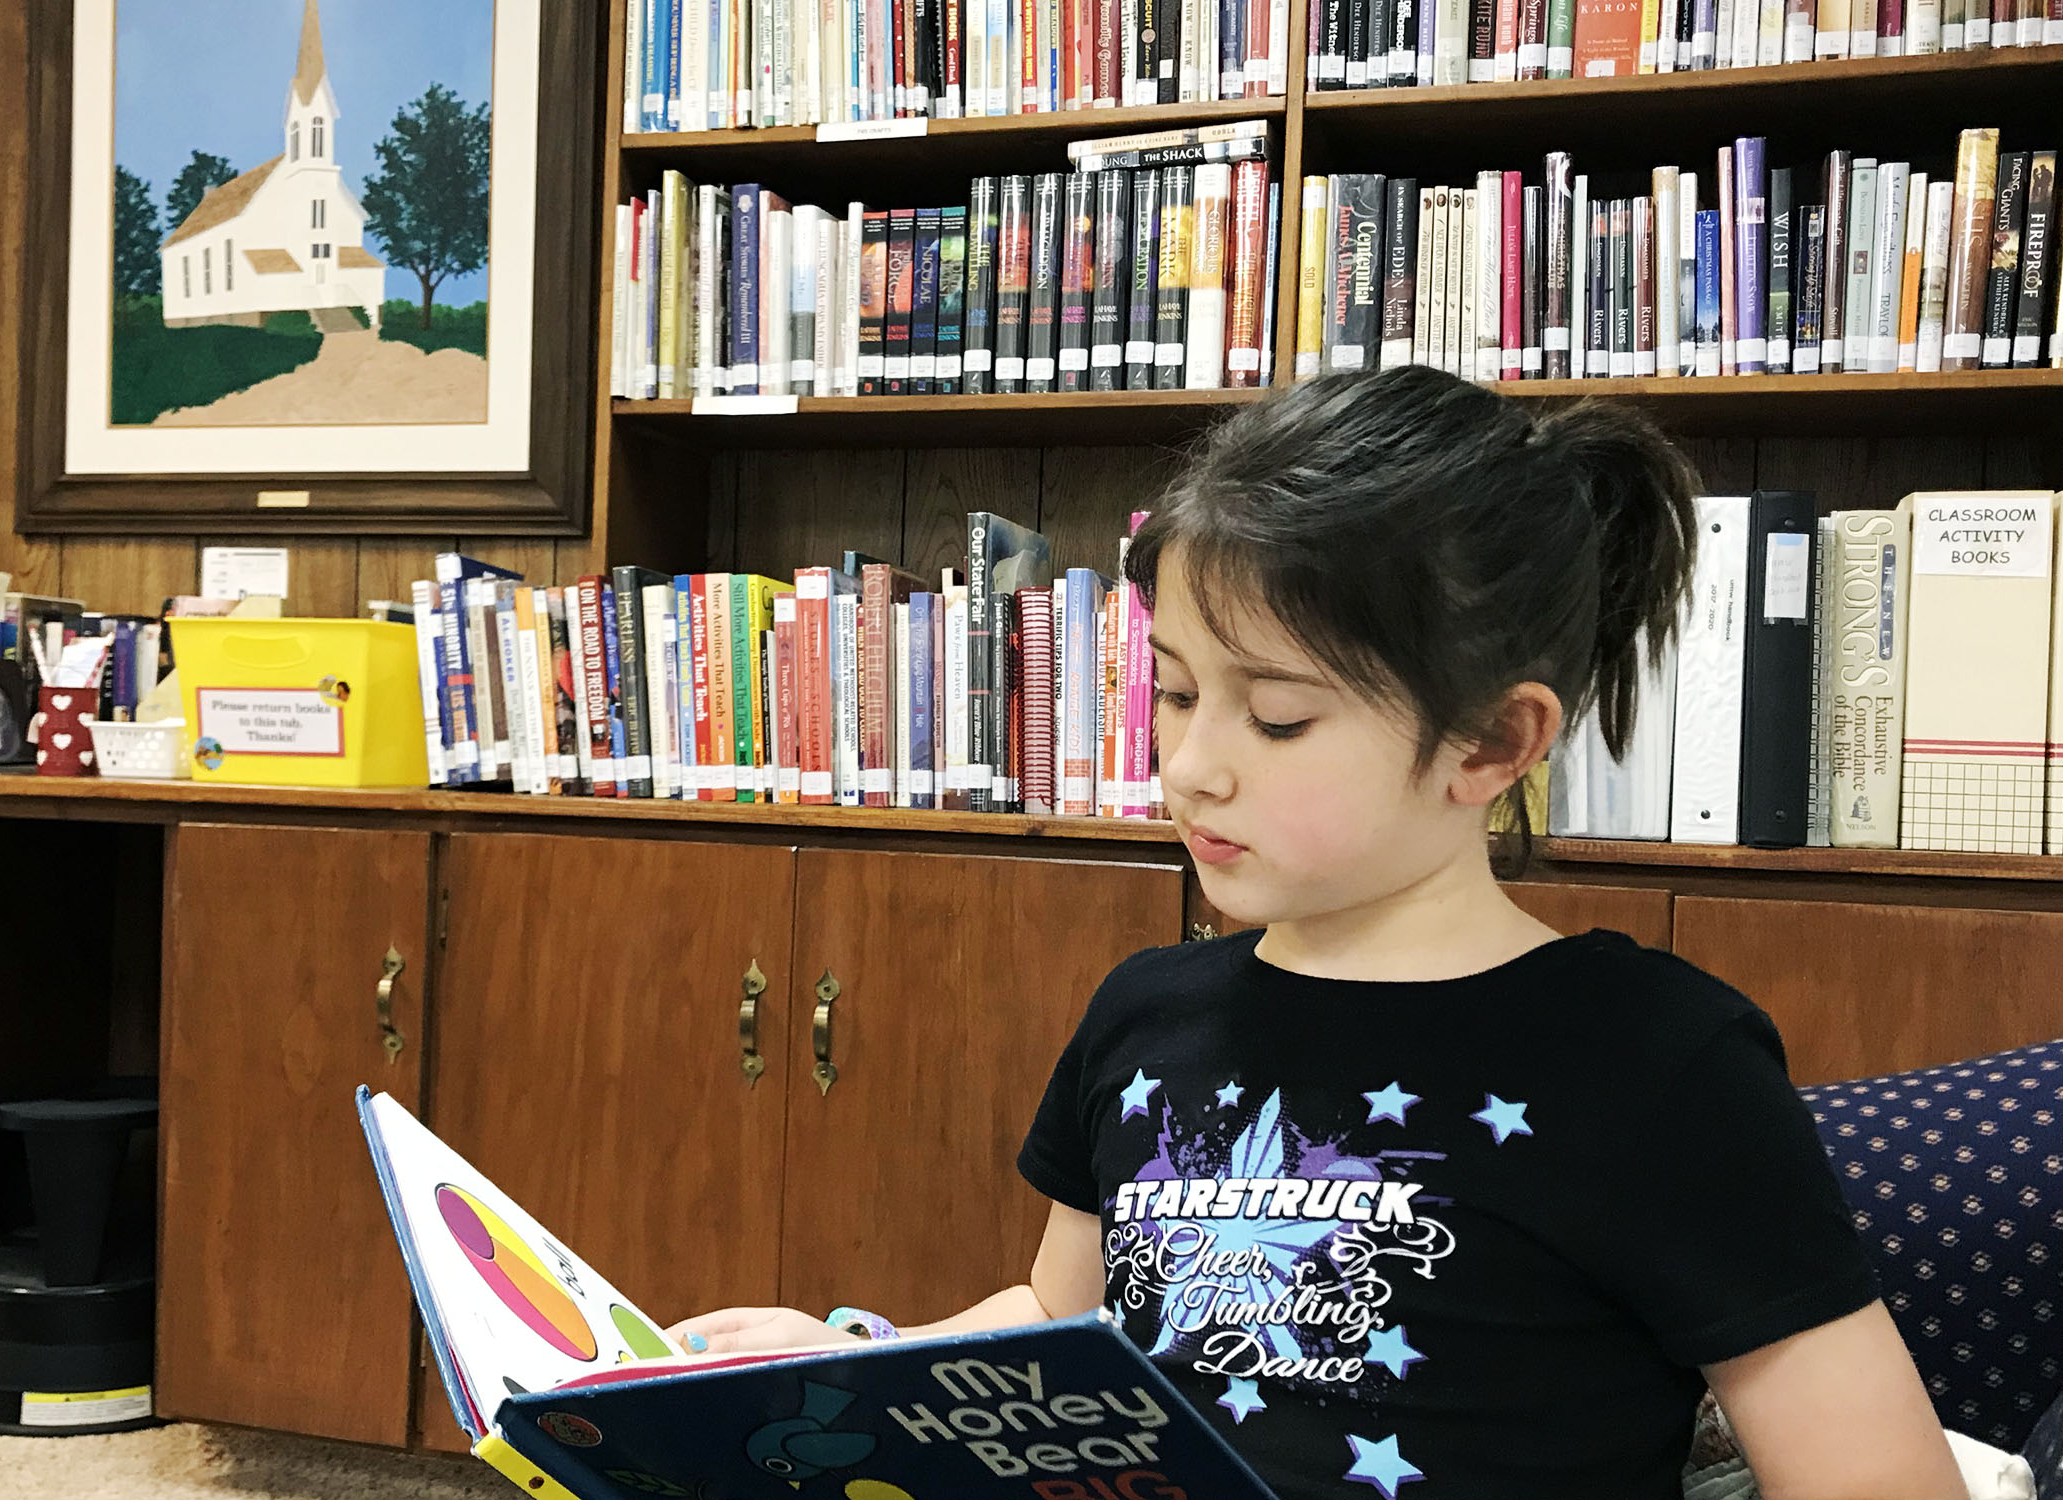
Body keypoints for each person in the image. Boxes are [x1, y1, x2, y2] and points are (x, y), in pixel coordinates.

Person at [665, 366, 1967, 1499]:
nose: (1192, 767)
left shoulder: (1657, 1064)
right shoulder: (1145, 1012)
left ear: (1490, 743)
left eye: (1276, 718)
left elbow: (1871, 1478)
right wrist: (855, 1362)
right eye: (1174, 692)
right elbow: (1056, 1324)